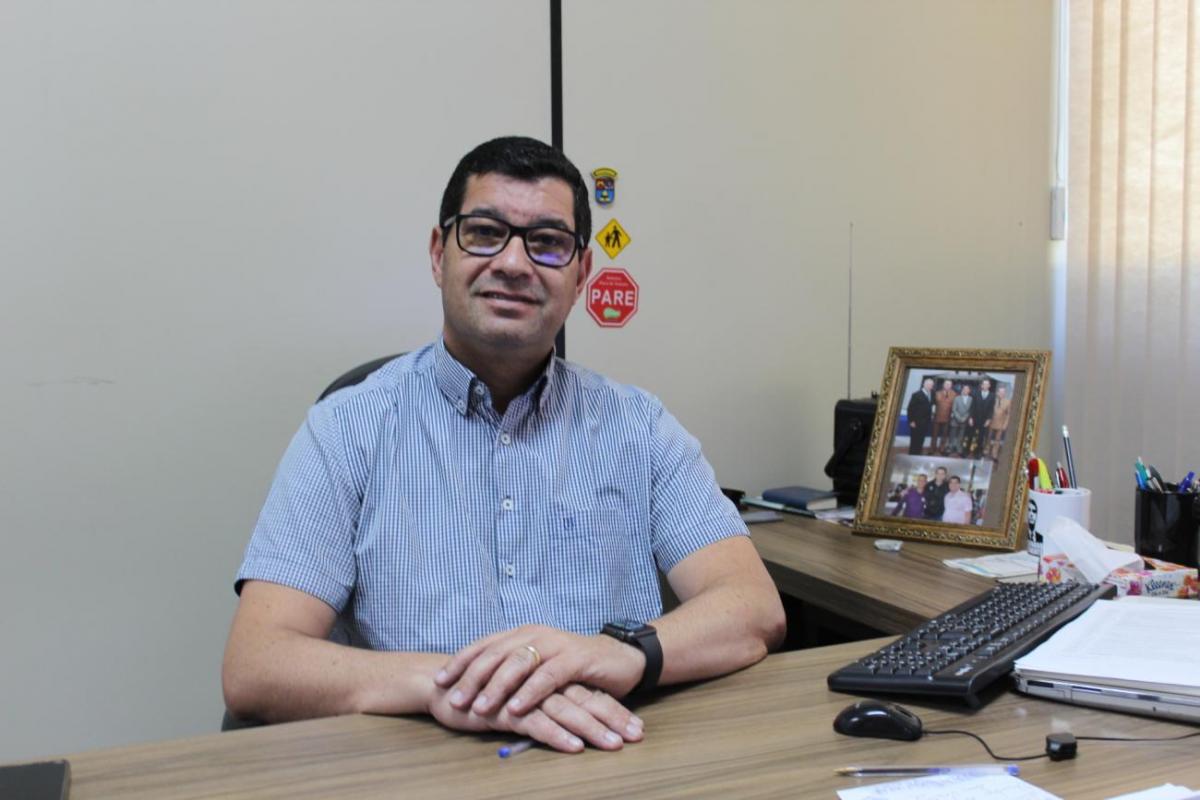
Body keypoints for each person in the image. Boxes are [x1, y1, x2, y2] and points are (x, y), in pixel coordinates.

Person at [221, 136, 786, 755]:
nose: (514, 263)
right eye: (485, 233)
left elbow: (753, 606)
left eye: (547, 242)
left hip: (606, 760)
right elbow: (258, 663)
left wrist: (622, 652)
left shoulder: (639, 428)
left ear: (580, 275)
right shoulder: (346, 429)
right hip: (415, 769)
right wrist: (454, 686)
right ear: (438, 254)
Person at [967, 379, 996, 459]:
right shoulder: (976, 393)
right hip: (974, 418)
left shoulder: (992, 396)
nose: (985, 386)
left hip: (984, 420)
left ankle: (978, 453)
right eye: (984, 384)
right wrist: (970, 418)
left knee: (981, 437)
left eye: (987, 384)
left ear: (989, 386)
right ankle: (968, 451)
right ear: (982, 385)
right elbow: (972, 406)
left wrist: (989, 419)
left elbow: (991, 409)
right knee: (971, 435)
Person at [906, 378, 935, 455]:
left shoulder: (932, 394)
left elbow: (930, 406)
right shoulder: (916, 394)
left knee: (921, 440)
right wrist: (911, 421)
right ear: (924, 384)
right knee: (914, 441)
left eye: (931, 385)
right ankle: (912, 455)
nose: (930, 386)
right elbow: (910, 409)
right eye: (928, 384)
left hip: (926, 423)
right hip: (916, 422)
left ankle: (918, 454)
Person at [987, 384, 1012, 462]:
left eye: (1003, 392)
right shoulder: (993, 400)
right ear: (997, 393)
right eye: (1000, 392)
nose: (1001, 394)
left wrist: (1005, 424)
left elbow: (1008, 414)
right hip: (991, 422)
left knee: (997, 440)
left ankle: (994, 454)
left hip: (1001, 423)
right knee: (988, 438)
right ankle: (986, 451)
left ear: (1005, 393)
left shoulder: (1008, 402)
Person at [931, 379, 956, 454]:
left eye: (949, 384)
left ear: (951, 386)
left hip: (948, 418)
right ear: (943, 385)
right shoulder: (937, 393)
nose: (947, 385)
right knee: (934, 434)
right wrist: (932, 414)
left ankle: (942, 449)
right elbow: (933, 404)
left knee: (944, 435)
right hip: (937, 417)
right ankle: (932, 449)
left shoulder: (954, 394)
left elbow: (954, 406)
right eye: (946, 384)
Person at [948, 384, 973, 456]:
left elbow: (971, 410)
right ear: (962, 390)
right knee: (952, 434)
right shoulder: (957, 398)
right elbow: (954, 409)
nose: (965, 390)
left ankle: (958, 448)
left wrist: (964, 418)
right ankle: (951, 447)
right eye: (964, 389)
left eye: (967, 389)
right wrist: (959, 418)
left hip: (965, 420)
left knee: (961, 435)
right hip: (955, 420)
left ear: (969, 391)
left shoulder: (971, 399)